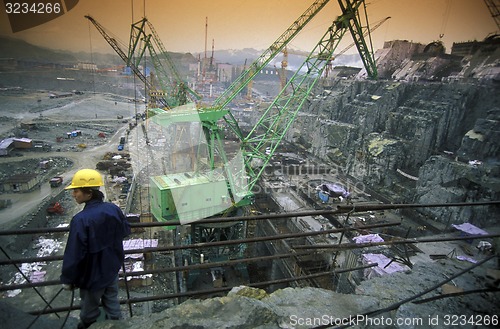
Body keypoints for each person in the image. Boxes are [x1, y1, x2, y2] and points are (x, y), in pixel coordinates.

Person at [60, 169, 131, 329]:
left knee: (89, 312)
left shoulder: (80, 220)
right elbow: (125, 231)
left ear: (89, 193)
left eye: (76, 190)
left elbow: (74, 254)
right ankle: (117, 325)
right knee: (113, 304)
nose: (73, 194)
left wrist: (68, 279)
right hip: (111, 269)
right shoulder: (113, 209)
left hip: (92, 276)